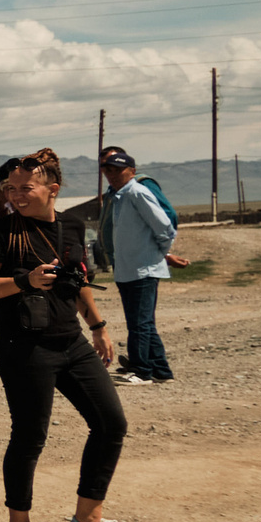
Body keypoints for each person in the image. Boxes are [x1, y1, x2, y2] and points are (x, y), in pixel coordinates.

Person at [0, 148, 140, 522]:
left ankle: (88, 518)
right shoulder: (2, 231)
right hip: (23, 346)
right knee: (30, 436)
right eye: (10, 189)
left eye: (25, 188)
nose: (15, 195)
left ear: (52, 189)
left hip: (71, 341)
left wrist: (97, 326)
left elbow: (77, 279)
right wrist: (24, 280)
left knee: (110, 423)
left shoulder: (72, 226)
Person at [98, 146, 179, 386]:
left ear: (131, 171)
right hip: (127, 269)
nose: (112, 175)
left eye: (118, 170)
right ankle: (161, 370)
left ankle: (142, 371)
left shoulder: (137, 192)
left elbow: (165, 227)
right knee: (143, 321)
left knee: (139, 323)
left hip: (143, 268)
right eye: (108, 170)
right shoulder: (118, 196)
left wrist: (158, 253)